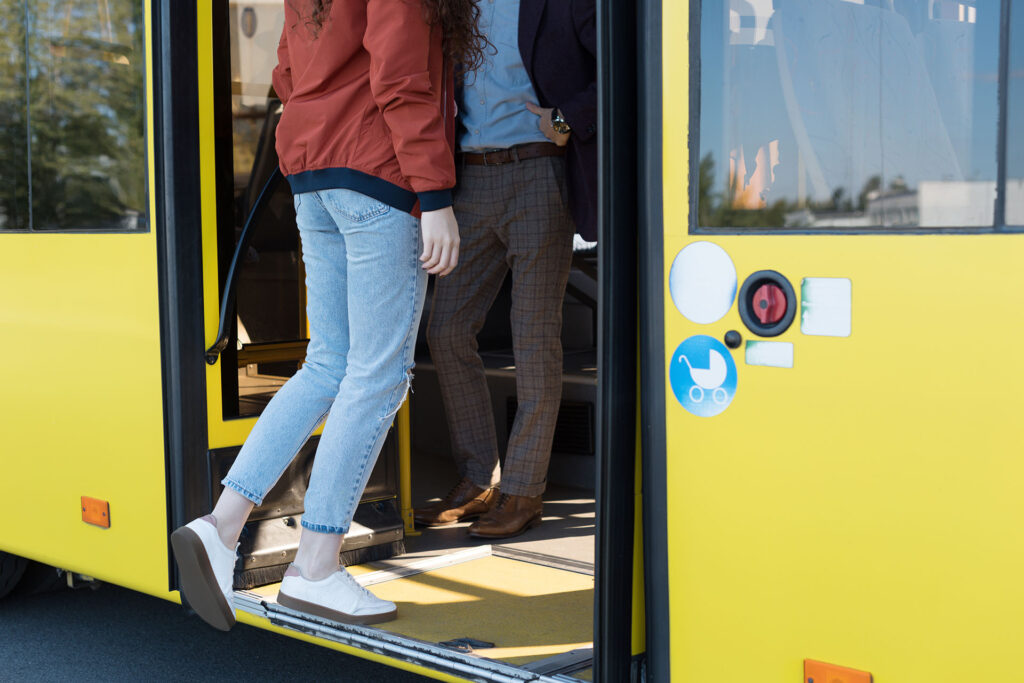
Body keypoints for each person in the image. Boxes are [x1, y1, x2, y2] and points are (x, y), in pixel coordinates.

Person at [170, 0, 486, 632]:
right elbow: (401, 77)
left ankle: (221, 525)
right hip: (376, 174)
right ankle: (315, 566)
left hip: (314, 174)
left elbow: (287, 72)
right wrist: (434, 195)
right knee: (378, 375)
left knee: (327, 365)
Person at [415, 0, 597, 538]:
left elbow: (624, 64)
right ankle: (479, 480)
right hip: (467, 182)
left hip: (539, 171)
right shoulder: (452, 5)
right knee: (446, 330)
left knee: (533, 338)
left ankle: (524, 490)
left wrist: (567, 119)